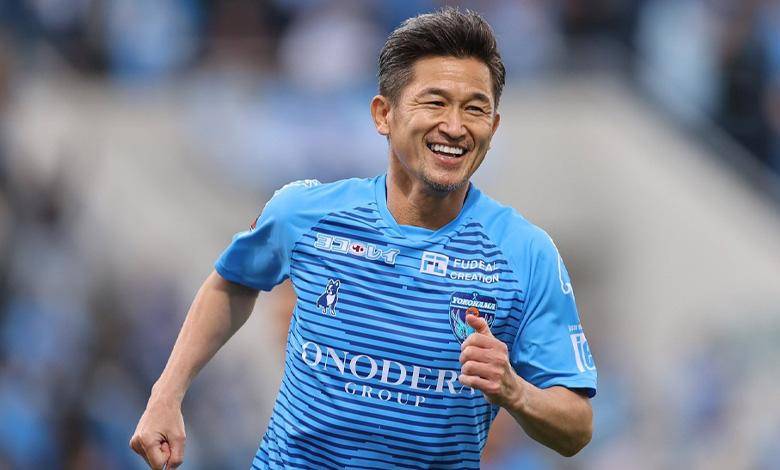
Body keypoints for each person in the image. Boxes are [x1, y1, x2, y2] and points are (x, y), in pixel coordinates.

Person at [130, 7, 597, 469]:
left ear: (492, 128)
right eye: (434, 103)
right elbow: (231, 281)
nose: (455, 127)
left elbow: (576, 427)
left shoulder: (525, 253)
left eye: (475, 109)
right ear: (383, 114)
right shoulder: (304, 212)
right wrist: (167, 394)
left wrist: (515, 391)